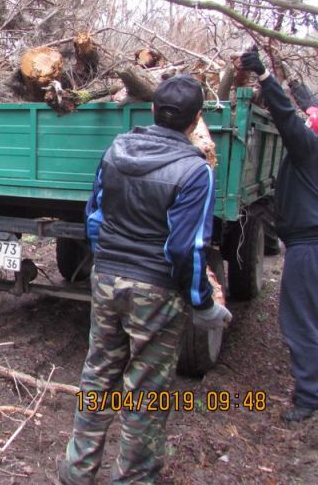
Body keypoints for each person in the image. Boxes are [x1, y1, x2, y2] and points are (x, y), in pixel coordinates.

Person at [59, 75, 232, 484]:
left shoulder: (116, 150)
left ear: (152, 109)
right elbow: (186, 249)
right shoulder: (195, 170)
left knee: (97, 374)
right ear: (195, 122)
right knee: (146, 393)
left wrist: (109, 263)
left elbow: (94, 218)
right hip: (157, 290)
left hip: (106, 280)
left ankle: (76, 472)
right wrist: (204, 305)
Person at [234, 50, 318, 423]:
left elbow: (286, 121)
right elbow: (301, 116)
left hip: (309, 248)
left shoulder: (309, 150)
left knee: (301, 320)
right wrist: (306, 98)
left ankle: (309, 396)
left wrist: (265, 76)